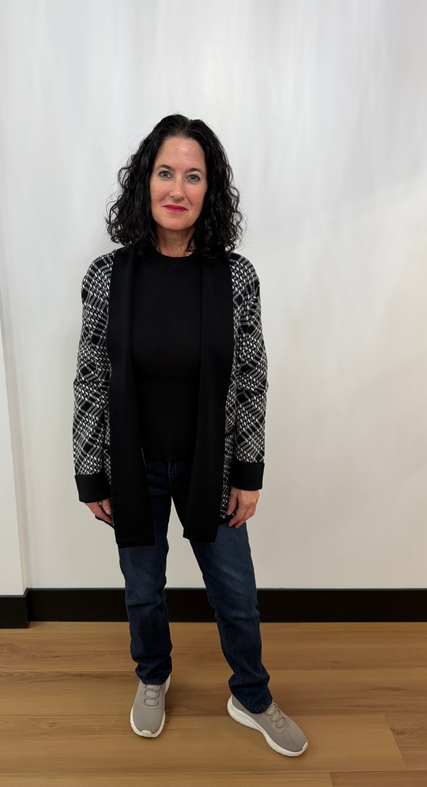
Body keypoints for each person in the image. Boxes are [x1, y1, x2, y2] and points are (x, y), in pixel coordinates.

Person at [72, 114, 308, 757]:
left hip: (211, 464)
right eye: (166, 172)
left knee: (236, 594)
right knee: (143, 592)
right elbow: (92, 377)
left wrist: (248, 474)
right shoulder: (107, 276)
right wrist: (91, 471)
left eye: (193, 175)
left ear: (211, 190)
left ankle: (251, 696)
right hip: (134, 465)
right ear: (145, 182)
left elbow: (253, 378)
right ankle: (153, 677)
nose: (178, 188)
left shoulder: (235, 278)